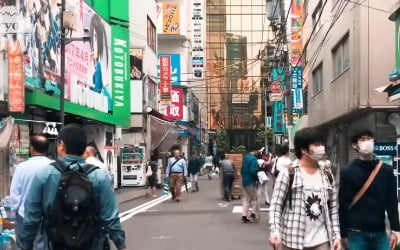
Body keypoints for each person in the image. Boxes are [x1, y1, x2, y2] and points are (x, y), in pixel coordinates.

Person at [19, 125, 126, 250]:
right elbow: (110, 217)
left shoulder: (44, 174)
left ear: (61, 145)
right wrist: (121, 244)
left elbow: (31, 217)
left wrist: (25, 245)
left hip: (56, 244)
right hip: (92, 244)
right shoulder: (99, 175)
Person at [269, 127, 341, 250]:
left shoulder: (327, 175)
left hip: (322, 241)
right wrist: (275, 231)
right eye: (316, 144)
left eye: (321, 144)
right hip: (292, 240)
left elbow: (333, 209)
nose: (321, 148)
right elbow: (276, 206)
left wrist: (336, 236)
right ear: (303, 149)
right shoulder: (288, 174)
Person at [339, 129, 400, 250]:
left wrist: (395, 229)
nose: (366, 141)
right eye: (362, 139)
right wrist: (343, 234)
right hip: (356, 234)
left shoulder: (386, 170)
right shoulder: (348, 172)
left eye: (369, 138)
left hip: (381, 233)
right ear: (355, 145)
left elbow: (391, 202)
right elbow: (343, 204)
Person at [10, 135, 52, 249]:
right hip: (47, 216)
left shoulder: (22, 167)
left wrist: (15, 212)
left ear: (31, 148)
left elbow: (14, 194)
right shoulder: (53, 167)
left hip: (24, 215)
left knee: (23, 245)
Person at [240, 146, 260, 223]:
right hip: (251, 181)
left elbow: (241, 170)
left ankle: (244, 216)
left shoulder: (245, 158)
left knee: (246, 198)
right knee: (255, 198)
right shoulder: (253, 159)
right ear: (254, 151)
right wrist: (257, 177)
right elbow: (253, 170)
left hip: (244, 181)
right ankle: (253, 215)